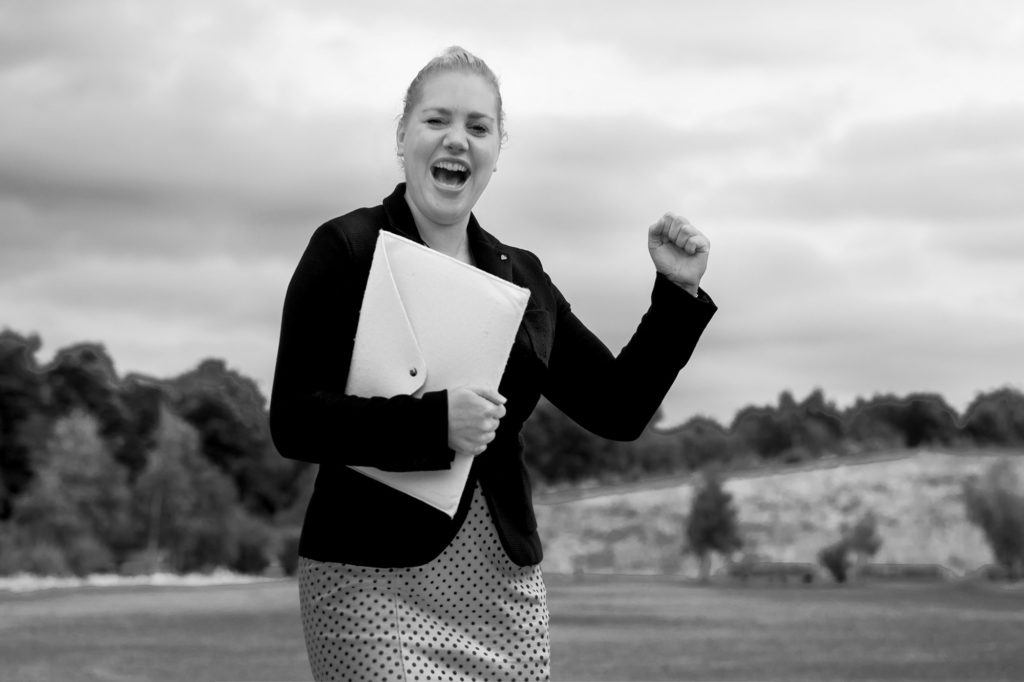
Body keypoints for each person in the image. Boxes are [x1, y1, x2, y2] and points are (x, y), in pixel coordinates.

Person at [269, 46, 717, 682]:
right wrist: (433, 423)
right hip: (367, 582)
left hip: (502, 593)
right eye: (436, 120)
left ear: (498, 150)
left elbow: (618, 409)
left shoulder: (524, 279)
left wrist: (676, 295)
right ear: (402, 135)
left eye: (478, 127)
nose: (457, 139)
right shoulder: (346, 249)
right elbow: (294, 422)